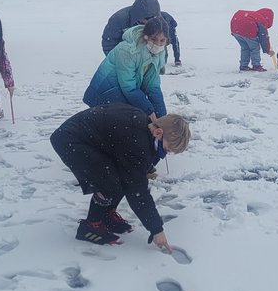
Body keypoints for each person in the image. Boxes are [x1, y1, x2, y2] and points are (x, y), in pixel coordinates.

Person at [50, 103, 191, 248]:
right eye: (166, 149)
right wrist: (156, 229)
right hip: (70, 140)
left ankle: (107, 215)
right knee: (109, 184)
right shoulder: (137, 142)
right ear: (158, 133)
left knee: (122, 177)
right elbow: (137, 192)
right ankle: (91, 226)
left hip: (86, 138)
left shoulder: (143, 126)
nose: (165, 154)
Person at [82, 16, 168, 118]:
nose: (158, 44)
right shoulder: (127, 50)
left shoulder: (159, 54)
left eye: (162, 40)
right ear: (146, 36)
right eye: (154, 39)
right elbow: (128, 87)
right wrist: (149, 111)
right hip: (106, 94)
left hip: (123, 96)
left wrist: (162, 116)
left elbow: (153, 86)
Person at [230, 8, 274, 72]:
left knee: (245, 48)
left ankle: (243, 65)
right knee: (255, 48)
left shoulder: (253, 15)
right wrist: (267, 50)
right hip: (247, 29)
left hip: (235, 29)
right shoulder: (261, 20)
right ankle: (256, 66)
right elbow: (263, 37)